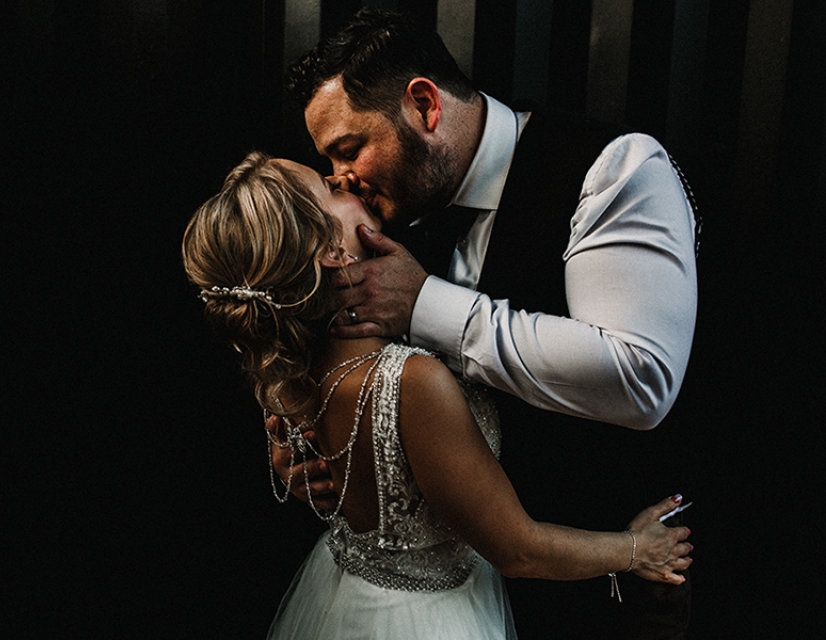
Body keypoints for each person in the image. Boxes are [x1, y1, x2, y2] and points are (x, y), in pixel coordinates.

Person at [280, 8, 700, 639]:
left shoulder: (614, 170)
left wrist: (426, 304)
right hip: (455, 589)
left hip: (599, 577)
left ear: (424, 105)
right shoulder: (390, 202)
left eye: (349, 148)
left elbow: (640, 378)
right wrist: (303, 435)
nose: (341, 178)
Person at [182, 151, 692, 640]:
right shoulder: (410, 382)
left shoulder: (280, 366)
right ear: (331, 253)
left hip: (345, 596)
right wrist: (636, 550)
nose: (342, 179)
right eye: (325, 187)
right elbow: (516, 551)